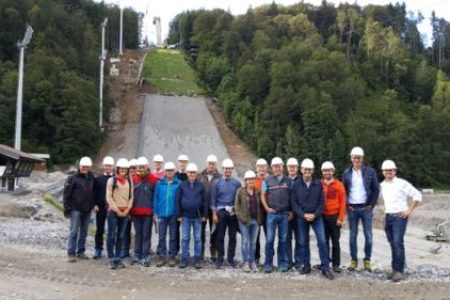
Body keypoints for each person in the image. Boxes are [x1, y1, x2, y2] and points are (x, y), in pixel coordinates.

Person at [291, 159, 334, 280]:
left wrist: (315, 215)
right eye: (305, 169)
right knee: (304, 242)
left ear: (313, 171)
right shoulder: (296, 185)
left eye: (309, 169)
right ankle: (306, 265)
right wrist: (303, 214)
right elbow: (294, 203)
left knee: (322, 241)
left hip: (316, 217)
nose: (307, 171)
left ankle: (325, 267)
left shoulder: (318, 184)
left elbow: (322, 203)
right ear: (301, 170)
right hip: (302, 217)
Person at [380, 160, 422, 282]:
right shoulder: (382, 185)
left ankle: (399, 271)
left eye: (390, 170)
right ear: (383, 172)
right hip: (388, 217)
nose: (388, 172)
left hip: (400, 217)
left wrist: (409, 210)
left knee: (398, 242)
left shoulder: (402, 183)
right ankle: (394, 268)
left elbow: (417, 195)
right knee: (392, 243)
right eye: (386, 170)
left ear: (395, 171)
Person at [342, 146, 380, 272]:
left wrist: (371, 205)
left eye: (359, 157)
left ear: (362, 158)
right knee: (352, 236)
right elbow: (344, 190)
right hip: (352, 208)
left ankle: (367, 260)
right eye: (354, 158)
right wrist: (347, 205)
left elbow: (376, 189)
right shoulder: (347, 173)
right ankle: (354, 260)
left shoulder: (370, 172)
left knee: (368, 236)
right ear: (351, 158)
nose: (357, 160)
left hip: (366, 208)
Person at [261, 157, 292, 273]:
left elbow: (291, 197)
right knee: (269, 240)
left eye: (278, 166)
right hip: (272, 214)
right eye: (274, 166)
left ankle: (282, 263)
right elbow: (263, 195)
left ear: (282, 167)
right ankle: (268, 264)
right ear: (272, 168)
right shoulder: (267, 180)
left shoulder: (288, 181)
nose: (276, 168)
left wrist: (291, 211)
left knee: (283, 240)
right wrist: (266, 208)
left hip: (284, 214)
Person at [211, 158, 242, 269]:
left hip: (233, 212)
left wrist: (238, 214)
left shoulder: (237, 183)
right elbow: (213, 200)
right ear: (222, 169)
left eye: (229, 169)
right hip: (221, 211)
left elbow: (239, 199)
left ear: (232, 170)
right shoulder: (217, 183)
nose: (227, 171)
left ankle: (230, 259)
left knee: (232, 236)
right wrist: (214, 214)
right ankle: (220, 258)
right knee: (220, 236)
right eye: (225, 169)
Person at [63, 156, 95, 263]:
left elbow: (94, 193)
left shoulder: (92, 178)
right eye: (83, 166)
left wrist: (94, 205)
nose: (85, 168)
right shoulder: (72, 178)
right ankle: (71, 253)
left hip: (87, 209)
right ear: (80, 166)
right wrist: (66, 209)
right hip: (75, 209)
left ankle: (80, 252)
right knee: (74, 231)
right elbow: (66, 194)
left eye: (87, 166)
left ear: (90, 167)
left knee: (84, 231)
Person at [176, 163, 207, 269]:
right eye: (190, 172)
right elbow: (178, 200)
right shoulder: (182, 185)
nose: (192, 174)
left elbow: (204, 202)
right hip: (185, 217)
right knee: (185, 238)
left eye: (194, 172)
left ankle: (197, 259)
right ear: (187, 173)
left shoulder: (200, 186)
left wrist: (204, 215)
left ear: (196, 173)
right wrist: (179, 215)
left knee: (198, 238)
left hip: (197, 217)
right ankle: (184, 259)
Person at [131, 156, 159, 267]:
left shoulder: (153, 180)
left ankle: (145, 254)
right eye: (139, 167)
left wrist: (154, 212)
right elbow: (130, 197)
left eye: (143, 167)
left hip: (148, 213)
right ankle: (137, 253)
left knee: (146, 234)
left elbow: (156, 197)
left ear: (147, 167)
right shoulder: (133, 179)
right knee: (138, 234)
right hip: (136, 212)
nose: (141, 169)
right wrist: (130, 211)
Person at [106, 158, 134, 269]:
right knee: (111, 235)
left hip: (125, 211)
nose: (123, 170)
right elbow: (108, 197)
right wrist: (117, 210)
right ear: (117, 169)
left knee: (121, 236)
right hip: (113, 212)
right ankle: (111, 258)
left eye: (125, 169)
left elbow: (131, 197)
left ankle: (118, 257)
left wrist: (128, 210)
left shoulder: (130, 182)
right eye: (121, 169)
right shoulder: (111, 181)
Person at [235, 170, 264, 272]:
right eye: (249, 179)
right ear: (245, 181)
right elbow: (237, 206)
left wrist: (260, 219)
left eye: (253, 179)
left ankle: (252, 262)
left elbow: (260, 205)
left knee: (253, 242)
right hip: (244, 221)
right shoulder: (240, 191)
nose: (251, 181)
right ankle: (246, 262)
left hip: (255, 220)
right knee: (245, 241)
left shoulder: (257, 191)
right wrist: (241, 217)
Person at [321, 161, 347, 273]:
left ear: (333, 171)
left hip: (334, 217)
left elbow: (343, 202)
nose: (327, 172)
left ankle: (336, 264)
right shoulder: (319, 184)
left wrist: (340, 218)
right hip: (322, 217)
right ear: (322, 172)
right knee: (324, 241)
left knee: (335, 242)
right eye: (325, 170)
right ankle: (325, 262)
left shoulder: (339, 185)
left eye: (329, 170)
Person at [154, 162, 181, 267]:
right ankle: (161, 256)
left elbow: (180, 200)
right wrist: (155, 212)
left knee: (173, 236)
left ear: (174, 171)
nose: (169, 172)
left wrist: (179, 214)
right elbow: (156, 198)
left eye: (171, 170)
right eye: (168, 170)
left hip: (173, 215)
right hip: (161, 214)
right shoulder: (159, 183)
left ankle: (172, 256)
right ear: (164, 171)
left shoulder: (179, 183)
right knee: (161, 236)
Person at [197, 154, 222, 261]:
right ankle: (201, 251)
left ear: (216, 164)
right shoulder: (199, 176)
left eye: (213, 164)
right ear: (207, 164)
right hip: (202, 207)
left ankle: (213, 251)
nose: (211, 165)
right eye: (209, 163)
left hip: (214, 208)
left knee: (214, 230)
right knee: (201, 230)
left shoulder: (220, 177)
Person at [93, 156, 115, 259]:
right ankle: (98, 249)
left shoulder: (116, 179)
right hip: (101, 207)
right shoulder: (98, 179)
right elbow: (94, 192)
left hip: (113, 208)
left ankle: (112, 250)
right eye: (106, 165)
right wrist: (95, 204)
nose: (107, 167)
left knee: (112, 230)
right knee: (99, 230)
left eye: (109, 165)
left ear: (113, 166)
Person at [286, 157, 301, 269]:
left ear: (297, 168)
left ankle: (298, 261)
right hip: (286, 214)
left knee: (299, 239)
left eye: (294, 167)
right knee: (287, 239)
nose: (292, 169)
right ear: (287, 168)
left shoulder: (301, 180)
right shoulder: (284, 180)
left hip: (299, 214)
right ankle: (288, 262)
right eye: (290, 167)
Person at [122, 158, 138, 258]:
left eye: (134, 168)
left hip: (137, 209)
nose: (132, 170)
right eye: (130, 169)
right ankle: (125, 249)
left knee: (138, 231)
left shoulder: (139, 180)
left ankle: (137, 250)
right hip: (126, 209)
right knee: (125, 231)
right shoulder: (124, 180)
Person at [254, 158, 269, 265]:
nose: (261, 169)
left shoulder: (271, 179)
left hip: (268, 211)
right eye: (259, 166)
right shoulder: (252, 179)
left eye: (263, 166)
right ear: (256, 168)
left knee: (269, 236)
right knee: (256, 236)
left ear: (266, 168)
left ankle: (268, 259)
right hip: (257, 212)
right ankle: (256, 258)